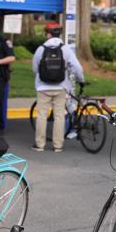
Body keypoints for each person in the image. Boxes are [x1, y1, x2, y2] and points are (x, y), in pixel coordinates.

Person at [32, 22, 84, 153]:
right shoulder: (66, 49)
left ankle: (40, 144)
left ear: (48, 34)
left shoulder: (41, 49)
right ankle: (58, 145)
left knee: (41, 115)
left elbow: (34, 69)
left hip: (43, 87)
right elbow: (77, 67)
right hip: (61, 87)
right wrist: (81, 80)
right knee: (60, 116)